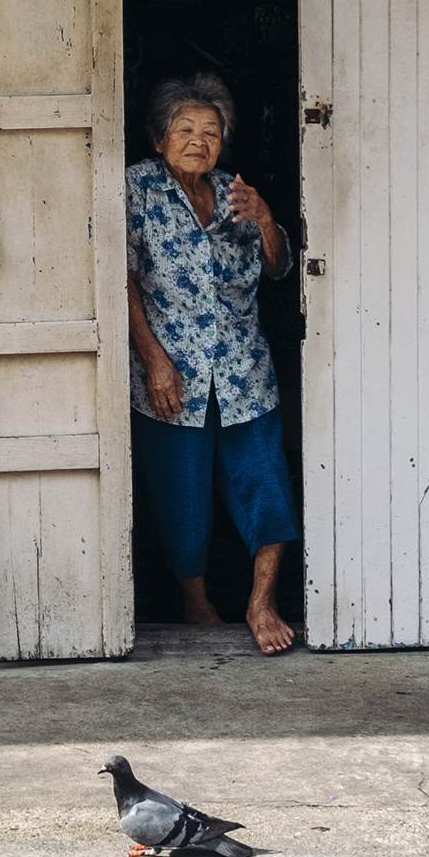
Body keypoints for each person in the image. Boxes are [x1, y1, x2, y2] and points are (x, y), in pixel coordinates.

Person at [125, 74, 298, 656]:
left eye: (211, 131)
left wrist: (267, 218)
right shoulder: (137, 189)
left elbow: (277, 271)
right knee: (181, 494)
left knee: (266, 484)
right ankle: (195, 603)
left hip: (244, 370)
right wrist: (153, 360)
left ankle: (261, 602)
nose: (200, 140)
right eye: (185, 129)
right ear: (158, 138)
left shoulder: (235, 192)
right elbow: (120, 278)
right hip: (172, 372)